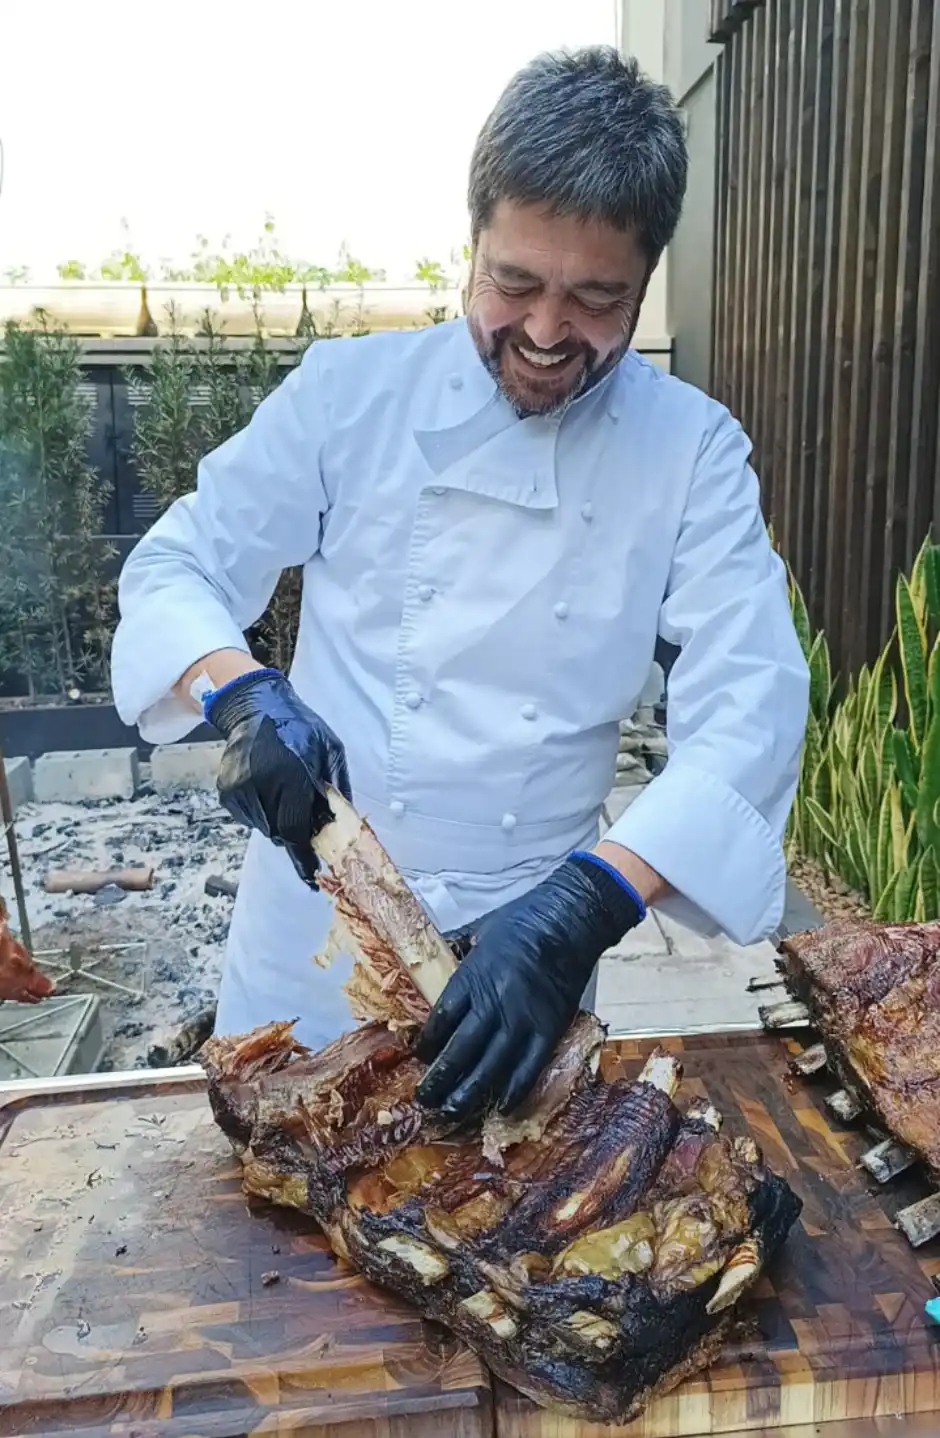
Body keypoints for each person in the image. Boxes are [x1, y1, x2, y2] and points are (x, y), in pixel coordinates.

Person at [112, 46, 809, 1122]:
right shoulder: (352, 395)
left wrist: (590, 900)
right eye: (514, 283)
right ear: (471, 239)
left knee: (499, 1235)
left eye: (594, 299)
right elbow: (177, 562)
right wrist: (237, 691)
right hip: (312, 933)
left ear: (647, 277)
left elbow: (752, 704)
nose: (542, 333)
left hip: (521, 957)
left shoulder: (691, 453)